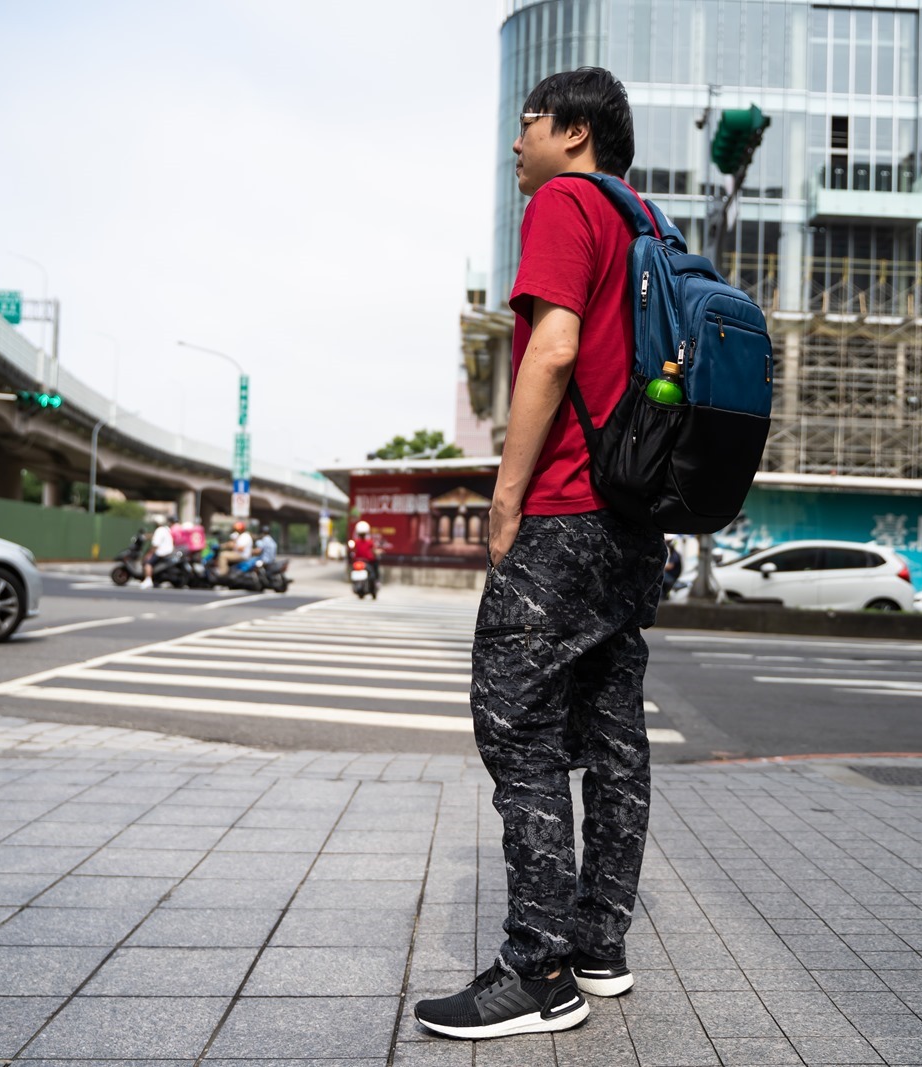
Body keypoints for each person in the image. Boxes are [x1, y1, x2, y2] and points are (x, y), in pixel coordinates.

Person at [414, 67, 664, 1040]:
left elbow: (553, 351)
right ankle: (599, 944)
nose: (515, 144)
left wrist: (506, 493)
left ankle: (538, 969)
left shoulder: (565, 202)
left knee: (516, 721)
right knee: (612, 731)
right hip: (633, 517)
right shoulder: (647, 222)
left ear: (573, 132)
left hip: (565, 506)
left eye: (526, 124)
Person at [140, 516, 176, 589]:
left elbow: (155, 545)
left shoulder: (159, 530)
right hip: (169, 551)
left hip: (162, 552)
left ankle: (148, 580)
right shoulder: (165, 529)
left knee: (148, 563)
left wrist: (149, 554)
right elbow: (154, 536)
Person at [348, 519, 379, 590]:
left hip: (358, 561)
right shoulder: (369, 542)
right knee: (374, 571)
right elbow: (374, 551)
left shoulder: (356, 542)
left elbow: (352, 550)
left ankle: (375, 583)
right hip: (367, 562)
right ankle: (376, 581)